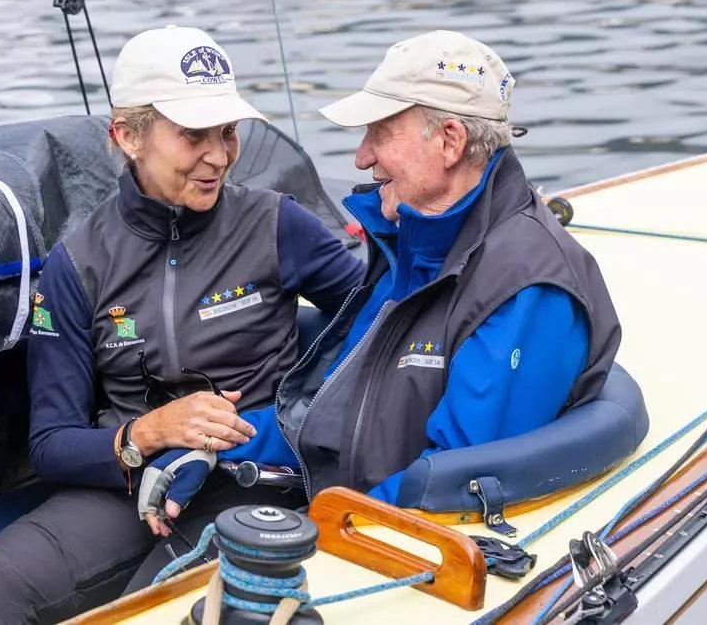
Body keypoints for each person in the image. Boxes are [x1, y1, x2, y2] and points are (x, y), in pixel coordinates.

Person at [131, 30, 621, 567]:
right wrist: (209, 450)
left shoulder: (527, 287)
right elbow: (323, 412)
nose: (363, 157)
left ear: (451, 141)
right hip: (344, 513)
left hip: (387, 548)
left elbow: (449, 488)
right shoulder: (413, 249)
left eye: (379, 134)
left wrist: (313, 536)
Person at [0, 25, 364, 624]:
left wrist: (280, 425)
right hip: (125, 485)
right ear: (127, 136)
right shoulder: (76, 265)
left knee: (157, 611)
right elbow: (52, 443)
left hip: (254, 479)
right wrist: (148, 434)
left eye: (228, 132)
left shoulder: (279, 225)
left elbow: (380, 335)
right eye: (194, 135)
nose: (218, 155)